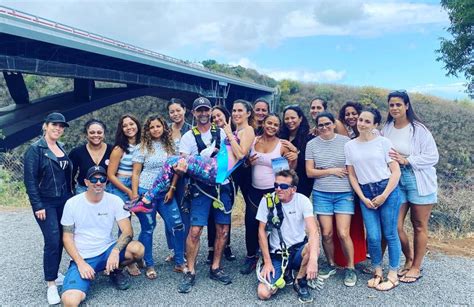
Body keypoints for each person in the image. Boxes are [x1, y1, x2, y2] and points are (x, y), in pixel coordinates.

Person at [176, 97, 254, 293]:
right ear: (193, 113)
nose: (203, 114)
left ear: (210, 111)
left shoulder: (223, 132)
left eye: (206, 110)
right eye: (199, 110)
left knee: (223, 230)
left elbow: (238, 154)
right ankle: (190, 270)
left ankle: (216, 267)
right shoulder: (187, 137)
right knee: (195, 231)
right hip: (200, 188)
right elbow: (184, 164)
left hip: (224, 186)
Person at [60, 166, 144, 307]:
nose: (98, 182)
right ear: (86, 182)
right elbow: (67, 238)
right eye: (94, 179)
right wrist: (81, 264)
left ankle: (114, 270)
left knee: (138, 249)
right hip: (84, 256)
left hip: (107, 250)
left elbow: (128, 231)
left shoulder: (115, 200)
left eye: (102, 179)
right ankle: (88, 272)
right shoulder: (72, 203)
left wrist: (115, 252)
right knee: (69, 301)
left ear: (106, 182)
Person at [381, 90, 438, 283]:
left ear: (406, 106)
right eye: (391, 105)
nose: (395, 108)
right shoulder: (387, 127)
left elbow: (432, 157)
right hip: (396, 178)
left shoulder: (419, 129)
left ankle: (415, 267)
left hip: (417, 177)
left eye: (398, 104)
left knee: (419, 225)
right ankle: (409, 258)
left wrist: (407, 160)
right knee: (395, 225)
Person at [345, 108, 402, 291]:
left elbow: (396, 171)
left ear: (375, 125)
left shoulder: (384, 143)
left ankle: (393, 274)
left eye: (367, 121)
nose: (362, 123)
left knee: (390, 233)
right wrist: (363, 197)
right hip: (365, 192)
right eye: (360, 119)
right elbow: (352, 176)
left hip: (387, 189)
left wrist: (384, 195)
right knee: (374, 237)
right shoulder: (350, 146)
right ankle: (378, 271)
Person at [24, 112, 73, 305]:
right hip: (46, 202)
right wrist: (38, 205)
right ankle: (51, 284)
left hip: (64, 201)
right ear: (46, 125)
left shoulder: (60, 147)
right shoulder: (35, 149)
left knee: (63, 237)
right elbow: (30, 180)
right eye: (55, 124)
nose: (58, 128)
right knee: (52, 240)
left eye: (61, 126)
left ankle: (55, 272)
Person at [240, 113, 297, 275]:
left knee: (273, 225)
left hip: (274, 191)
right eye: (269, 123)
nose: (272, 127)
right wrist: (247, 163)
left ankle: (272, 256)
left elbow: (290, 170)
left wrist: (294, 155)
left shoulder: (282, 145)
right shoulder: (253, 141)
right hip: (254, 191)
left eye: (275, 125)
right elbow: (242, 162)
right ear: (263, 123)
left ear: (279, 128)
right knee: (251, 224)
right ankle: (251, 256)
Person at [305, 112, 357, 286]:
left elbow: (354, 166)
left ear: (334, 124)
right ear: (316, 127)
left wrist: (324, 169)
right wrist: (332, 170)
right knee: (326, 233)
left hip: (344, 193)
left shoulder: (346, 143)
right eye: (320, 125)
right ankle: (331, 264)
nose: (324, 127)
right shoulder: (311, 145)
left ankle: (350, 268)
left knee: (343, 233)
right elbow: (309, 172)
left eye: (328, 124)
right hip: (322, 193)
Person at [131, 115, 186, 278]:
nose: (155, 130)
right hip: (146, 192)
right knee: (148, 228)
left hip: (166, 192)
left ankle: (179, 261)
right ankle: (149, 264)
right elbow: (135, 173)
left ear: (164, 128)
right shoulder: (141, 148)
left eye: (158, 126)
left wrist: (173, 188)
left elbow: (177, 169)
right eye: (152, 127)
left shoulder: (172, 146)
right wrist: (135, 195)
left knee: (177, 225)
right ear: (147, 130)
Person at [256, 170, 319, 303]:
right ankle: (285, 272)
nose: (278, 189)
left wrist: (313, 260)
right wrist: (267, 262)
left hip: (298, 250)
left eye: (284, 186)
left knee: (312, 248)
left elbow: (313, 231)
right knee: (263, 293)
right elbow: (261, 232)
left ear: (293, 189)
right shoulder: (267, 201)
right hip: (277, 254)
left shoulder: (303, 201)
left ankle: (300, 280)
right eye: (276, 185)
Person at [107, 114, 142, 276]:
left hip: (138, 185)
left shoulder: (143, 145)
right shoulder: (119, 148)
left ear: (137, 125)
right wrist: (128, 191)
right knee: (124, 225)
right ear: (121, 129)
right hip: (121, 186)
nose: (129, 128)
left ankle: (135, 255)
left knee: (140, 222)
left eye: (131, 124)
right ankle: (125, 262)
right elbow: (111, 175)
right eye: (125, 125)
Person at [207, 105, 236, 263]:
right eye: (214, 118)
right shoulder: (212, 133)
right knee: (213, 214)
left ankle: (227, 245)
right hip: (214, 176)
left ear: (226, 115)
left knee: (226, 211)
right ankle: (212, 248)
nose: (217, 119)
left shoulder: (233, 131)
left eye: (219, 116)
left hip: (231, 177)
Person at [164, 98, 192, 263]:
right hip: (165, 176)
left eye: (178, 110)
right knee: (169, 213)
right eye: (172, 111)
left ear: (184, 110)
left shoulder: (191, 130)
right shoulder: (165, 130)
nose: (175, 114)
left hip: (184, 178)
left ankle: (186, 250)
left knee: (184, 213)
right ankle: (174, 249)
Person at [69, 119, 112, 194]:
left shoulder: (112, 150)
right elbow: (69, 176)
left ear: (104, 134)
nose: (96, 135)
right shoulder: (77, 152)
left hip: (107, 190)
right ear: (86, 134)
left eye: (99, 132)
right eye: (92, 132)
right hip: (83, 190)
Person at [279, 105, 314, 197]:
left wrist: (296, 151)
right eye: (286, 118)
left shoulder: (309, 137)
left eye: (293, 118)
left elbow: (311, 161)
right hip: (282, 180)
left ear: (300, 118)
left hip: (302, 182)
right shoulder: (280, 136)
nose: (290, 121)